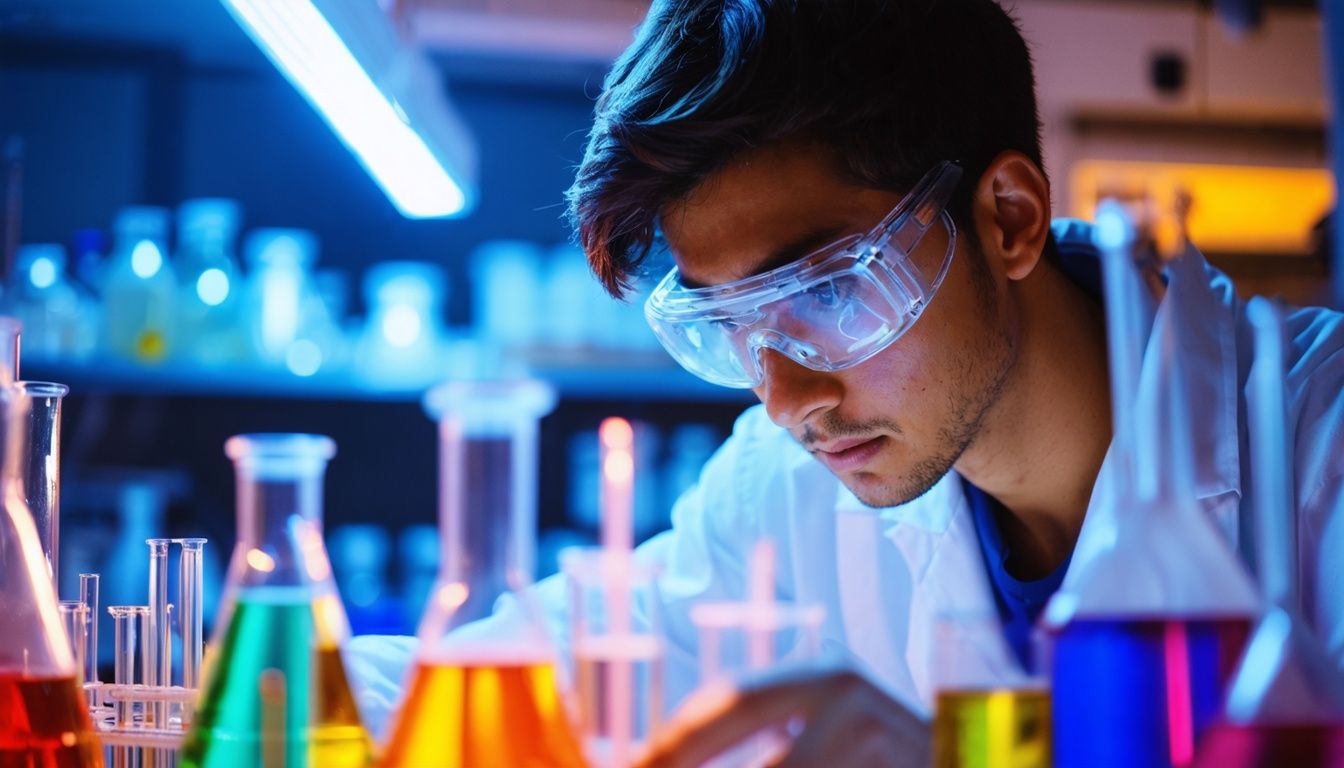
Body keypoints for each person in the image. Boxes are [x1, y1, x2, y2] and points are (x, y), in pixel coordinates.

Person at [349, 1, 1344, 764]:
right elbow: (508, 679)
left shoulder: (1322, 444)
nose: (784, 400)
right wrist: (238, 691)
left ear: (1006, 219)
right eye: (728, 328)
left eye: (827, 293)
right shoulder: (780, 495)